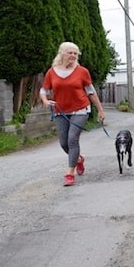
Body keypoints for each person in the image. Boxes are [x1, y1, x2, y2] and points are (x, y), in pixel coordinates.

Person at [39, 42, 105, 186]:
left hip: (80, 109)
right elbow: (43, 90)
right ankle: (78, 159)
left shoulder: (82, 71)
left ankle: (70, 173)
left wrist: (100, 109)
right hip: (61, 111)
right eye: (70, 53)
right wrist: (45, 100)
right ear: (62, 53)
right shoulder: (52, 71)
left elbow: (91, 92)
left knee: (72, 139)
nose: (73, 56)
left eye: (76, 53)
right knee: (63, 143)